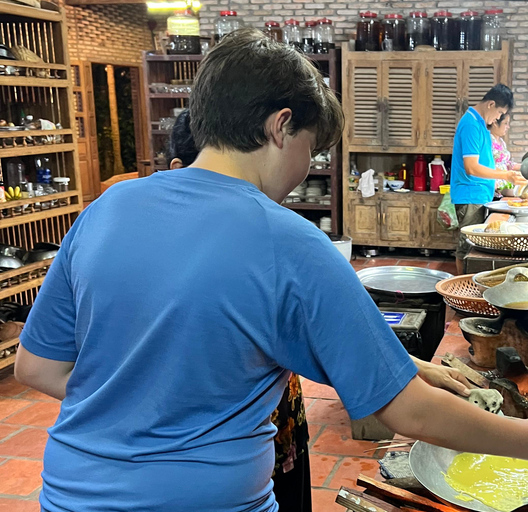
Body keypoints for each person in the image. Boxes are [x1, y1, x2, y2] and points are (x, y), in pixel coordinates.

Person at [14, 30, 528, 512]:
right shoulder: (287, 240)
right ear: (280, 126)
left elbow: (36, 366)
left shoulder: (107, 207)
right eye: (310, 152)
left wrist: (148, 399)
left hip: (68, 495)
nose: (303, 171)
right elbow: (403, 407)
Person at [166, 110, 474, 512]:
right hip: (224, 458)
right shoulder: (179, 263)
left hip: (279, 425)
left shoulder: (259, 247)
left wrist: (417, 366)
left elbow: (335, 342)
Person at [450, 84, 528, 273]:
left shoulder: (480, 124)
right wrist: (505, 175)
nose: (498, 118)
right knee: (466, 249)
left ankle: (468, 286)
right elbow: (471, 167)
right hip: (470, 195)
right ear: (490, 104)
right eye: (499, 112)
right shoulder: (470, 124)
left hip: (479, 195)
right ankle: (461, 290)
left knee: (473, 247)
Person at [489, 113, 527, 198]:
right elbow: (486, 164)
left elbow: (505, 163)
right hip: (494, 186)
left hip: (504, 186)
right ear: (495, 123)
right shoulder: (488, 140)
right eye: (505, 123)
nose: (508, 127)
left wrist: (524, 167)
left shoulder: (502, 142)